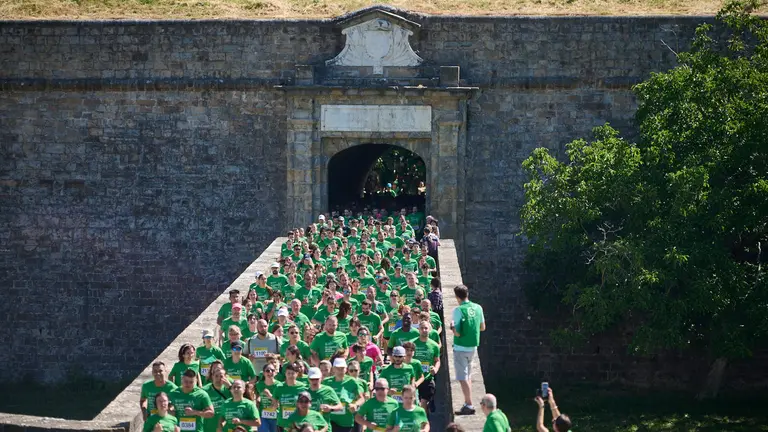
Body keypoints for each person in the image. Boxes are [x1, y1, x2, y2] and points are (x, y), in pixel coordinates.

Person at [450, 285, 485, 415]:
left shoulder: (458, 310)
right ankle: (468, 402)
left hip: (460, 346)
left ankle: (469, 404)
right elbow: (482, 327)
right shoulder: (478, 307)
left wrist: (452, 327)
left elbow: (457, 333)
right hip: (473, 346)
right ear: (467, 294)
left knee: (461, 376)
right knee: (468, 374)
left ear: (457, 296)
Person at [323, 358, 365, 432]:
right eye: (338, 368)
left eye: (342, 368)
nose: (340, 371)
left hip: (345, 421)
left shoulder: (352, 381)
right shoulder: (326, 382)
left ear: (346, 369)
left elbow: (361, 398)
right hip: (329, 419)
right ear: (333, 369)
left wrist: (355, 405)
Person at [272, 362, 309, 431]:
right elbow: (274, 403)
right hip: (283, 423)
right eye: (288, 373)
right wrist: (274, 406)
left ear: (297, 374)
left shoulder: (303, 387)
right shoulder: (279, 387)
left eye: (293, 373)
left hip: (298, 423)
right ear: (285, 374)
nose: (290, 375)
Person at [203, 368, 232, 432]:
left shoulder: (231, 390)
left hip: (225, 427)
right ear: (212, 376)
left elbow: (241, 400)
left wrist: (230, 387)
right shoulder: (204, 390)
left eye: (221, 376)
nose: (218, 378)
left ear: (225, 377)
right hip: (208, 426)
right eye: (216, 376)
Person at [255, 364, 280, 432]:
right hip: (263, 415)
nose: (270, 372)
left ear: (275, 372)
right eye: (267, 370)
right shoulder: (259, 385)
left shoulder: (279, 385)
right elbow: (257, 396)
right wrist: (258, 400)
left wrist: (270, 396)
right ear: (263, 373)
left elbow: (280, 401)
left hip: (276, 415)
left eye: (272, 370)